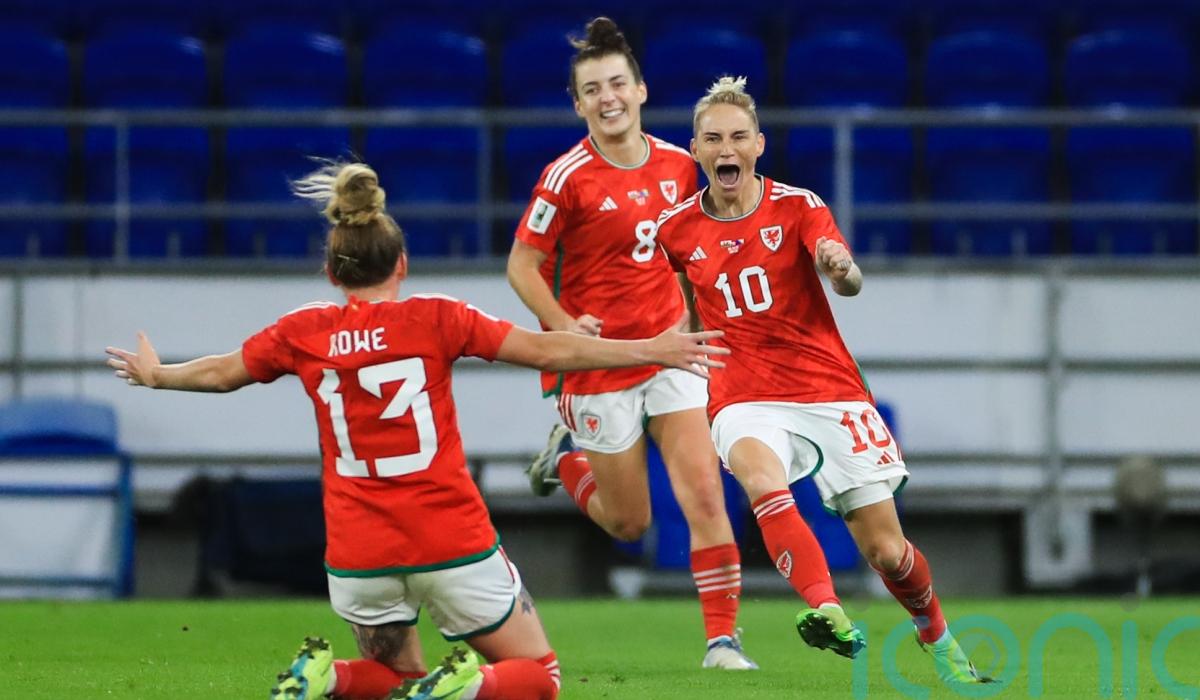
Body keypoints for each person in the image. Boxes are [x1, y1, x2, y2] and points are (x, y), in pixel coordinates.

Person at [106, 162, 728, 700]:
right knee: (540, 676)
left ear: (331, 273)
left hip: (358, 551)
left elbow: (222, 374)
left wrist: (158, 375)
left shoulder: (303, 331)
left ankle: (329, 677)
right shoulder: (436, 318)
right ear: (402, 263)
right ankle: (471, 685)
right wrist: (650, 348)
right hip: (449, 536)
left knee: (397, 678)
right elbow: (548, 349)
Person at [653, 76, 991, 685]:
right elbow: (690, 308)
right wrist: (673, 342)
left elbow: (846, 277)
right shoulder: (675, 229)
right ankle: (827, 608)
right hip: (742, 394)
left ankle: (936, 635)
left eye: (738, 137)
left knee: (887, 551)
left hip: (827, 389)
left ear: (758, 145)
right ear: (696, 149)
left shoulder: (798, 206)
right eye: (713, 139)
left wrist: (842, 270)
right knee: (762, 479)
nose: (726, 148)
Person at [506, 17, 755, 670]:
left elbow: (696, 253)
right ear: (578, 104)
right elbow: (522, 266)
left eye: (617, 83)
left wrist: (707, 321)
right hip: (599, 366)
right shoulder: (566, 178)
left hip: (672, 352)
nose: (608, 98)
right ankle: (567, 459)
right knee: (630, 523)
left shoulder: (679, 165)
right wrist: (561, 323)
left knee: (706, 492)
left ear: (641, 90)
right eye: (593, 89)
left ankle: (723, 642)